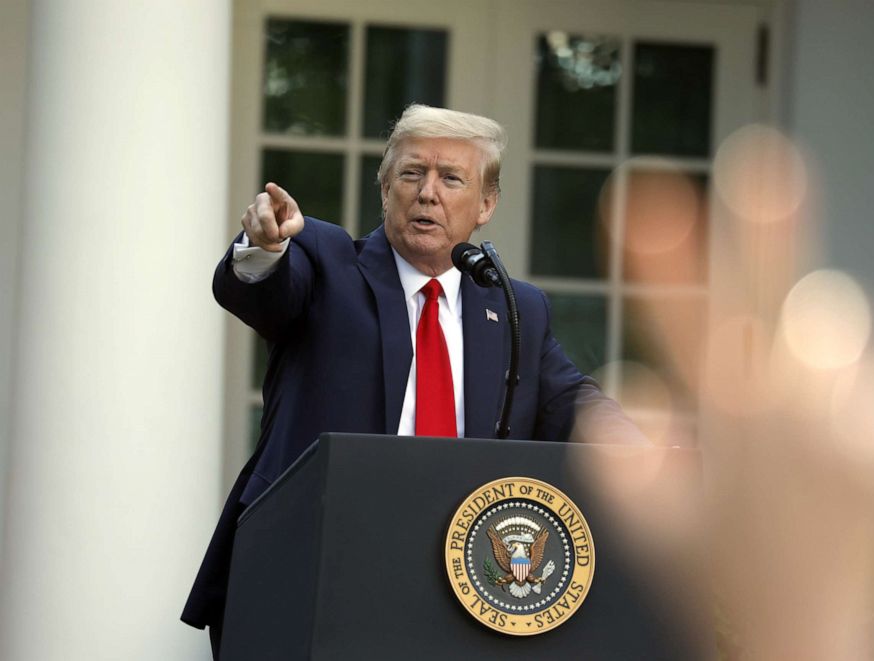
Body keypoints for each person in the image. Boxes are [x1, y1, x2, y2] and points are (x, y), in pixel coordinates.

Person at [180, 104, 612, 656]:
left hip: (458, 580)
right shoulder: (328, 261)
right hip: (315, 564)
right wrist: (266, 247)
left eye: (451, 178)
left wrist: (643, 447)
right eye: (411, 174)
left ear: (486, 204)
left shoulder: (514, 306)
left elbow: (570, 397)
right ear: (385, 189)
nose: (427, 193)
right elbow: (264, 290)